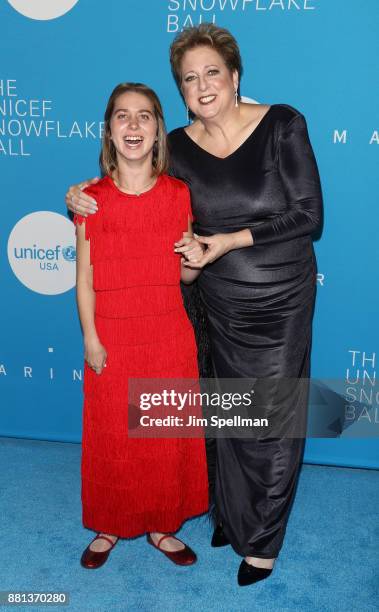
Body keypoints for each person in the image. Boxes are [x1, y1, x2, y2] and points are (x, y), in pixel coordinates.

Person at [66, 24, 323, 586]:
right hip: (214, 302)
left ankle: (262, 541)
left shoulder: (282, 123)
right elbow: (135, 193)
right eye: (189, 78)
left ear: (235, 77)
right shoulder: (178, 148)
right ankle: (230, 517)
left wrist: (227, 241)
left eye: (212, 72)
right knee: (227, 415)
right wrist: (77, 197)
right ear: (179, 92)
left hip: (280, 297)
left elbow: (309, 216)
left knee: (273, 415)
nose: (203, 85)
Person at [74, 81, 208, 570]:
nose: (133, 126)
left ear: (158, 130)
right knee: (112, 436)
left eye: (145, 116)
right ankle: (110, 524)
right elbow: (84, 278)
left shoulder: (178, 195)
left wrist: (195, 257)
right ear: (109, 131)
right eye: (122, 116)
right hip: (112, 334)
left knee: (159, 438)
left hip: (168, 334)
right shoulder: (90, 199)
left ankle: (160, 525)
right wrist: (90, 336)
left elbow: (185, 273)